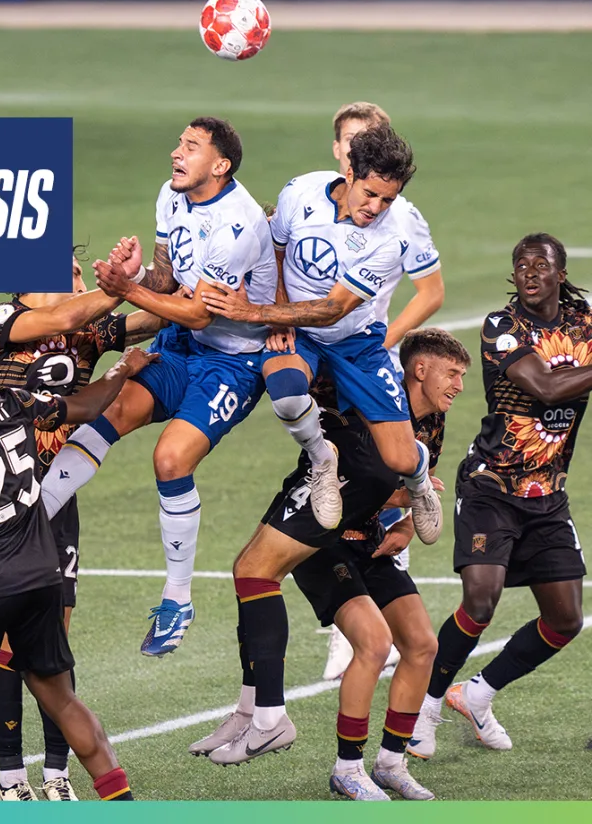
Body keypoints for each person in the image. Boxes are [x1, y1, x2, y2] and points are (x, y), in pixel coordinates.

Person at [188, 329, 468, 800]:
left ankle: (391, 763)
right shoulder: (367, 392)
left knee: (422, 645)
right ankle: (348, 768)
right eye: (453, 374)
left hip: (370, 540)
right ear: (420, 369)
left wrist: (403, 528)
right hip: (323, 541)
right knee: (373, 644)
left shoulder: (432, 423)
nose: (459, 385)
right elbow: (318, 410)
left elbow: (412, 488)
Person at [39, 117, 277, 657]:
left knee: (170, 460)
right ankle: (21, 525)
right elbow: (167, 284)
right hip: (180, 345)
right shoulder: (171, 197)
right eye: (178, 143)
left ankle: (177, 597)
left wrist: (126, 290)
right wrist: (139, 274)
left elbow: (199, 312)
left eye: (191, 146)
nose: (176, 152)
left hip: (232, 362)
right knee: (105, 417)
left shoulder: (238, 224)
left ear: (221, 165)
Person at [0, 250, 163, 801]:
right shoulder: (0, 320)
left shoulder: (89, 332)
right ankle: (12, 779)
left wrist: (153, 270)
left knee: (52, 641)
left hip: (49, 503)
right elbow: (63, 316)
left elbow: (153, 315)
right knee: (9, 647)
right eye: (74, 272)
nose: (82, 281)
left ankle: (57, 774)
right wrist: (120, 286)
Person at [201, 123, 442, 546]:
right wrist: (279, 316)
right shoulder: (301, 192)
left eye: (388, 199)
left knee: (400, 458)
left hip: (356, 341)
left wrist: (254, 311)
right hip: (301, 333)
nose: (376, 207)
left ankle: (420, 483)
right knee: (286, 391)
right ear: (349, 173)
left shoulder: (391, 238)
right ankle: (322, 460)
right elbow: (276, 250)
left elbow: (333, 310)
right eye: (371, 193)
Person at [408, 234, 590, 760]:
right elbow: (548, 388)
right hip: (491, 485)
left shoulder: (584, 325)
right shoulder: (502, 326)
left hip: (548, 494)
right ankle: (426, 708)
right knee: (481, 598)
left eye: (541, 265)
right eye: (521, 264)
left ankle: (478, 694)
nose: (529, 272)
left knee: (565, 620)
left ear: (560, 274)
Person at [325, 100, 445, 680]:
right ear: (339, 152)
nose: (358, 150)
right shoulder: (314, 202)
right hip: (320, 357)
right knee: (330, 472)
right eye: (351, 142)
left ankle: (366, 615)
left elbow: (431, 292)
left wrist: (386, 340)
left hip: (364, 357)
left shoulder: (400, 217)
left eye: (369, 140)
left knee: (374, 473)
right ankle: (350, 621)